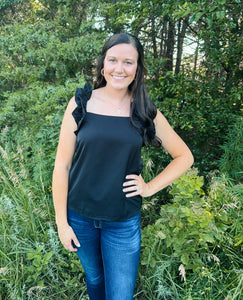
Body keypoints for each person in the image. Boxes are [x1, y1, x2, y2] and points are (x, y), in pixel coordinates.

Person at [52, 32, 194, 300]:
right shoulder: (81, 103)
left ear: (138, 68)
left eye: (128, 62)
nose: (119, 68)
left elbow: (184, 156)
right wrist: (62, 223)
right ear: (103, 64)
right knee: (94, 278)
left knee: (120, 294)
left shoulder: (143, 110)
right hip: (80, 217)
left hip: (122, 221)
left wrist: (150, 187)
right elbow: (62, 165)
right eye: (113, 60)